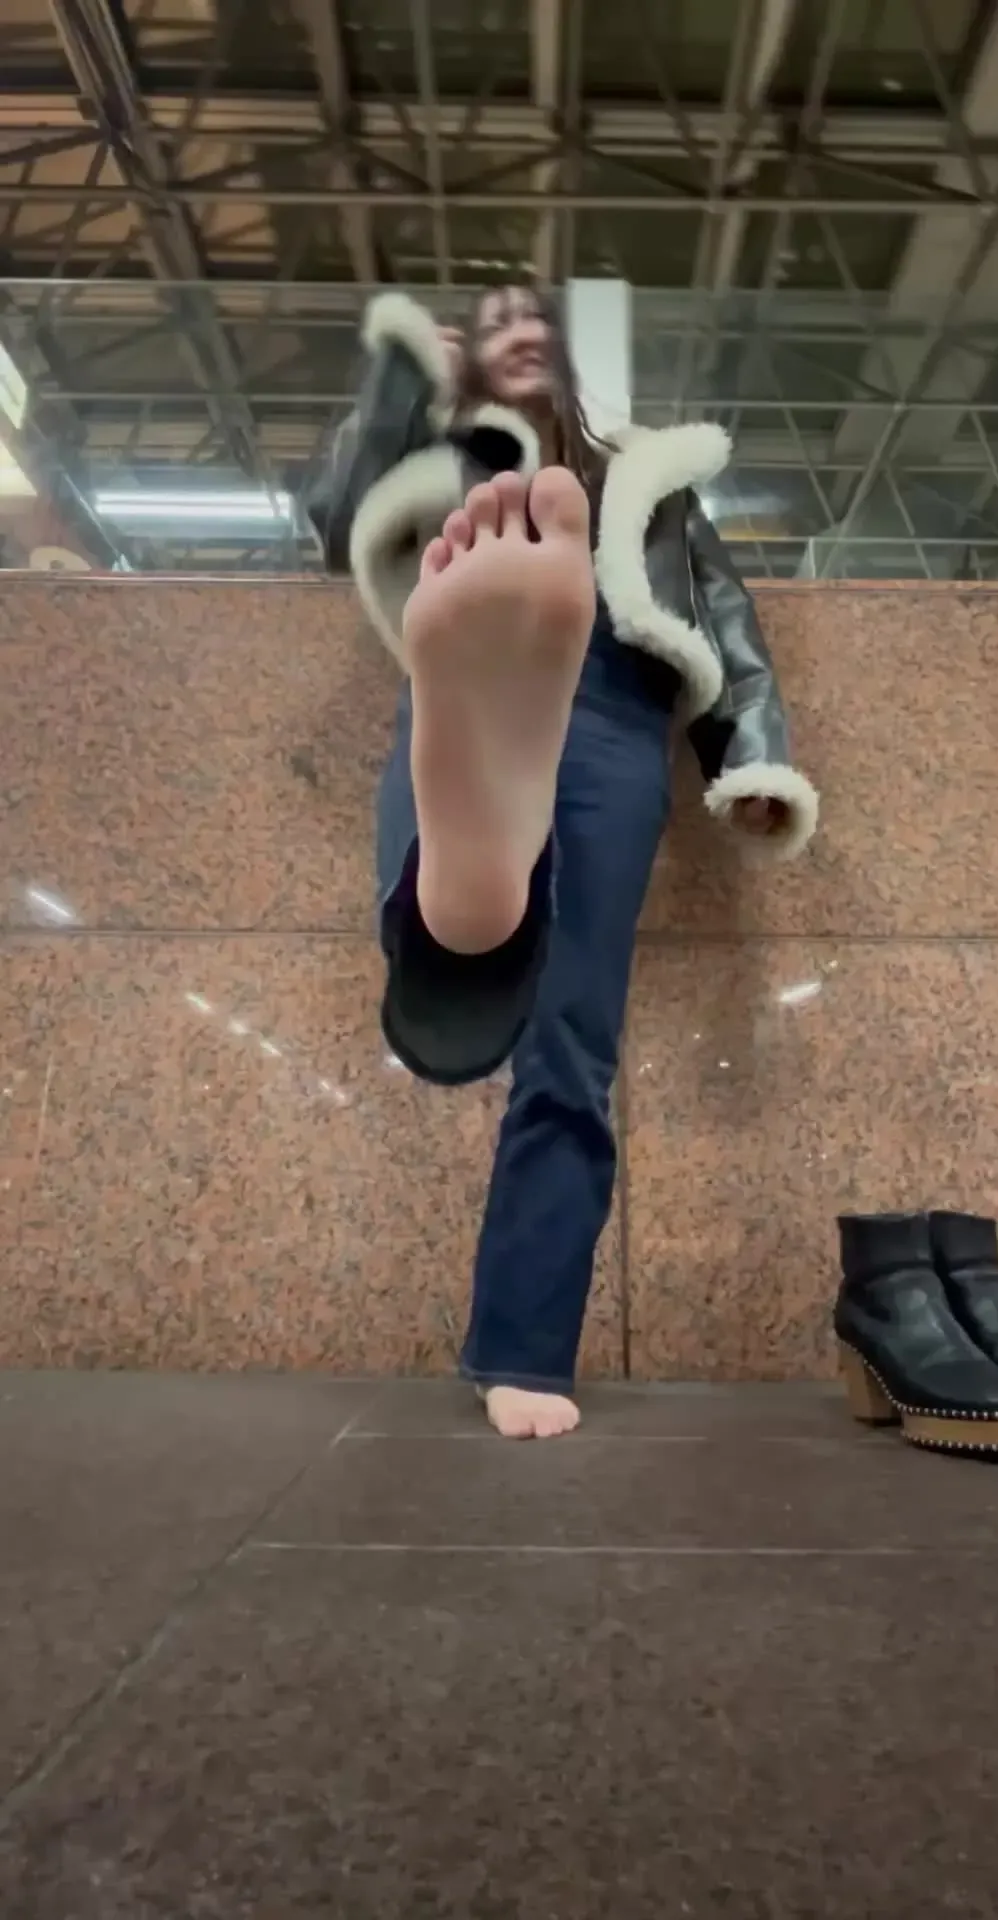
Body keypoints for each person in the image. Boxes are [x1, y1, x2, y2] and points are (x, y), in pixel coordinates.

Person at [308, 284, 819, 1439]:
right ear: (471, 355)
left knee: (566, 1042)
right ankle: (473, 867)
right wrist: (400, 374)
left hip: (609, 718)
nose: (522, 330)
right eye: (493, 321)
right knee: (496, 995)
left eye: (535, 315)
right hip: (469, 691)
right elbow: (337, 521)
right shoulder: (438, 462)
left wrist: (752, 759)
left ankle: (473, 903)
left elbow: (727, 622)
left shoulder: (647, 481)